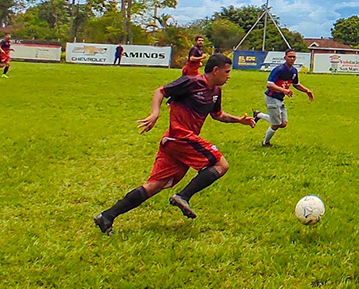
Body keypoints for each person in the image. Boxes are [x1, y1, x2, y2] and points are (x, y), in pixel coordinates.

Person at [94, 53, 256, 235]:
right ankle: (183, 196)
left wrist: (238, 120)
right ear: (215, 70)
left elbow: (217, 115)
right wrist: (155, 113)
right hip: (179, 137)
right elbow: (160, 91)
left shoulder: (216, 92)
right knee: (221, 164)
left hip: (176, 143)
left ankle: (106, 216)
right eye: (227, 72)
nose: (229, 76)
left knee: (155, 185)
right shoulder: (192, 82)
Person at [252, 49, 313, 147]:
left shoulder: (294, 71)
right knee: (276, 124)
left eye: (294, 57)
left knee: (283, 123)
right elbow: (269, 84)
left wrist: (307, 91)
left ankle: (258, 115)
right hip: (271, 98)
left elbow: (296, 84)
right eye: (290, 56)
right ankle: (265, 143)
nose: (292, 59)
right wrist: (284, 90)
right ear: (285, 58)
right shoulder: (279, 70)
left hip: (280, 99)